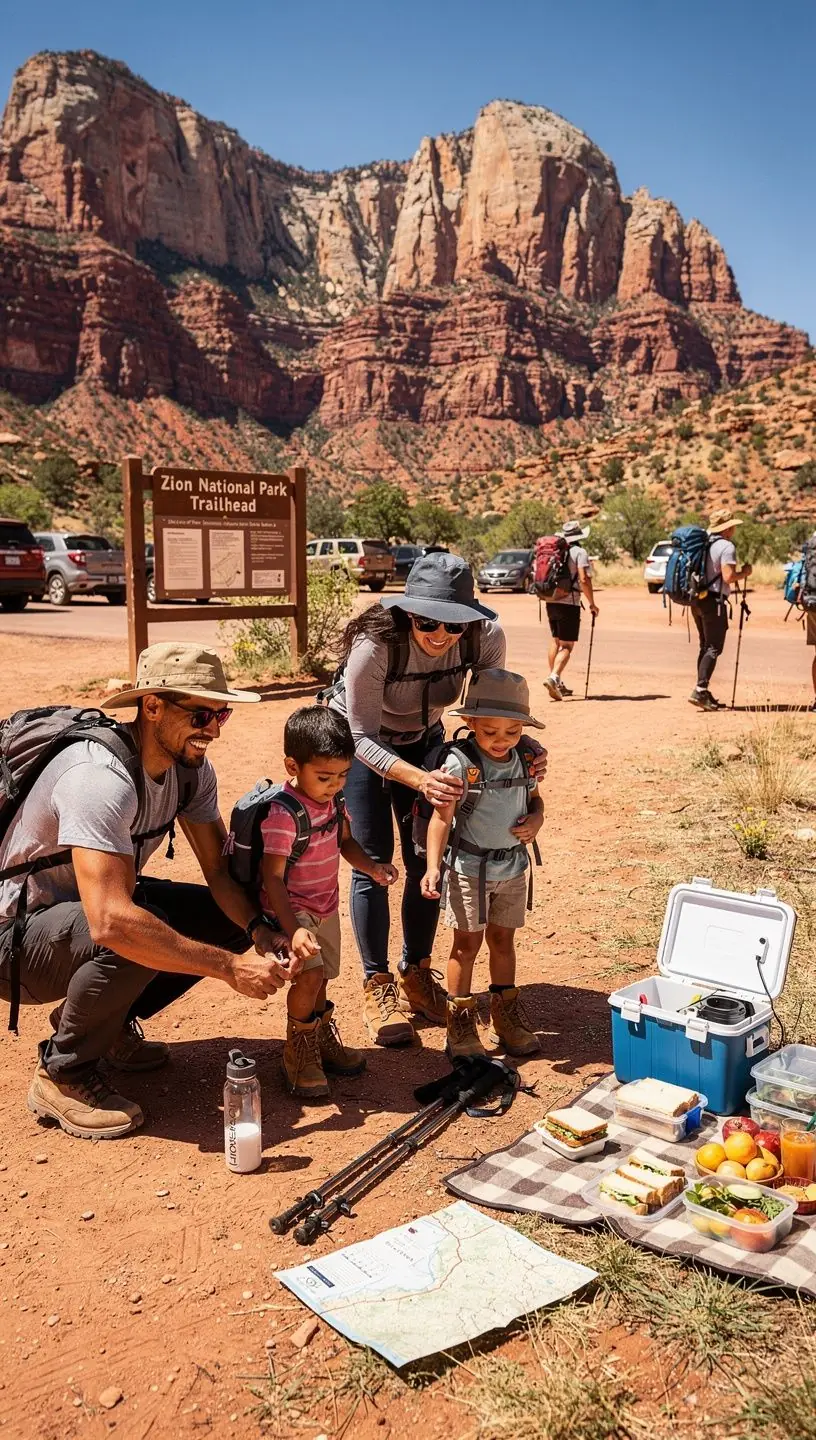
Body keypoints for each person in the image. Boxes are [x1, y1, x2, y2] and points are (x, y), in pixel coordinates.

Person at [0, 642, 292, 1141]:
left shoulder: (189, 770)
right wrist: (228, 968)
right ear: (152, 706)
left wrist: (259, 931)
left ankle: (104, 1026)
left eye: (221, 714)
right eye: (201, 714)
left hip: (80, 917)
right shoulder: (99, 778)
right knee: (129, 936)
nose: (213, 729)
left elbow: (218, 875)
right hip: (15, 939)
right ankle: (62, 1074)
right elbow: (111, 921)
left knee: (224, 918)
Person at [329, 552, 547, 1046]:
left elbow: (493, 708)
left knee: (428, 856)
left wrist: (526, 748)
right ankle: (377, 984)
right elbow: (359, 736)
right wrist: (418, 780)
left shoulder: (485, 635)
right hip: (363, 747)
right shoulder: (375, 644)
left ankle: (416, 972)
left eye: (455, 625)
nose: (442, 635)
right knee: (373, 861)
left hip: (425, 738)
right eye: (429, 621)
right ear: (407, 612)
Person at [257, 706, 397, 1099]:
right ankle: (298, 1051)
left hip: (325, 905)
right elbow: (272, 876)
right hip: (293, 909)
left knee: (323, 978)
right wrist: (292, 927)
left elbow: (345, 842)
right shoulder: (283, 814)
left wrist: (370, 868)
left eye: (342, 776)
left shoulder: (334, 802)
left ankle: (317, 1040)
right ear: (292, 765)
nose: (335, 784)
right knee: (310, 975)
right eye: (324, 777)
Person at [420, 669, 545, 1060]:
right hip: (468, 870)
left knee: (503, 941)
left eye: (511, 732)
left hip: (512, 868)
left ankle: (505, 1016)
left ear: (523, 728)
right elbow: (442, 819)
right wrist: (433, 867)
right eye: (490, 732)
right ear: (471, 723)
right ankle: (460, 1025)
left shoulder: (526, 759)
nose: (500, 741)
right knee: (466, 945)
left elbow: (535, 801)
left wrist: (537, 819)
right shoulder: (461, 765)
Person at [689, 510, 752, 711]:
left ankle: (702, 690)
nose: (734, 529)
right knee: (714, 647)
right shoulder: (726, 546)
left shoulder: (704, 543)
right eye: (732, 525)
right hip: (714, 602)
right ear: (727, 528)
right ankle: (700, 690)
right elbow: (728, 577)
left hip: (697, 600)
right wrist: (745, 572)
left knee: (705, 645)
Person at [544, 520, 598, 701]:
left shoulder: (556, 551)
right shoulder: (580, 552)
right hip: (570, 603)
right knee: (567, 645)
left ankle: (557, 682)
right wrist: (592, 603)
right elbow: (583, 579)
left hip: (551, 600)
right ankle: (554, 678)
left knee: (555, 641)